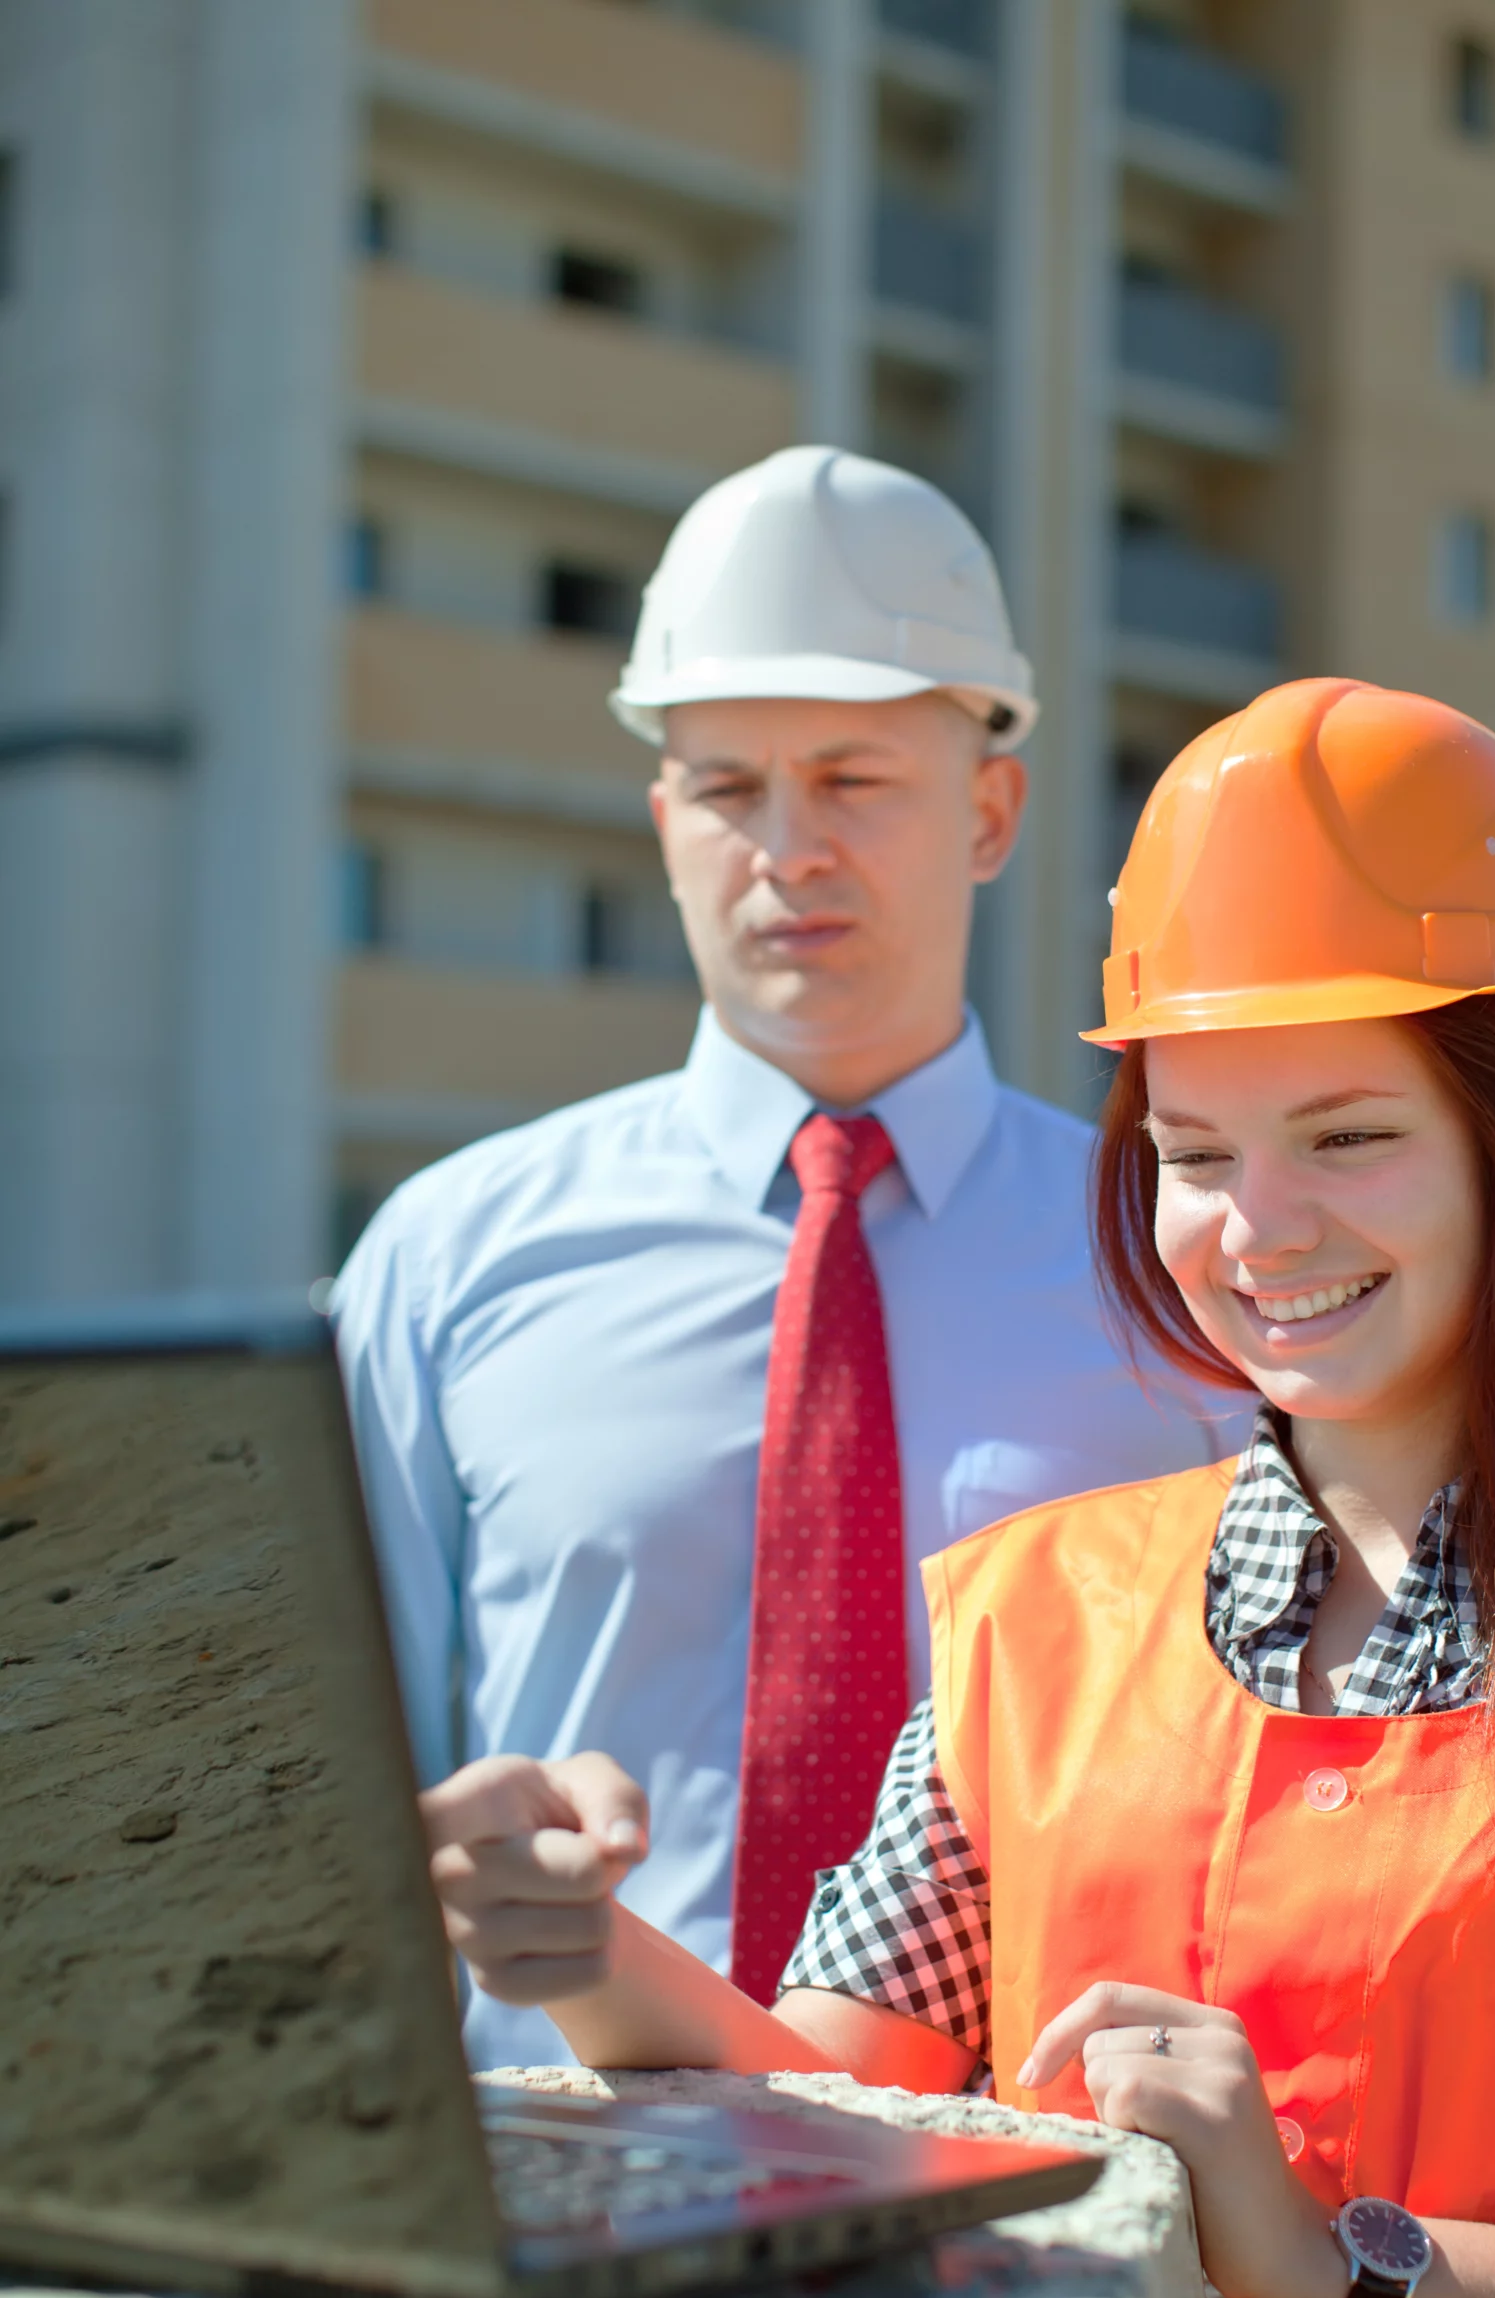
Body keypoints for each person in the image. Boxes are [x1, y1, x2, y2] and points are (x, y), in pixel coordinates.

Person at [508, 678, 1495, 2298]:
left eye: (1345, 1136)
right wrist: (572, 1947)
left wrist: (1339, 2270)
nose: (1259, 1227)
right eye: (1198, 1152)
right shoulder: (1034, 1620)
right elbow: (840, 2106)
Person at [334, 445, 1236, 2071]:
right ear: (662, 813)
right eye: (729, 787)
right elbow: (312, 1786)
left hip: (1028, 2179)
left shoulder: (1181, 1258)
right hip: (554, 2177)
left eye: (850, 777)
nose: (786, 848)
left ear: (989, 808)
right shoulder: (448, 1259)